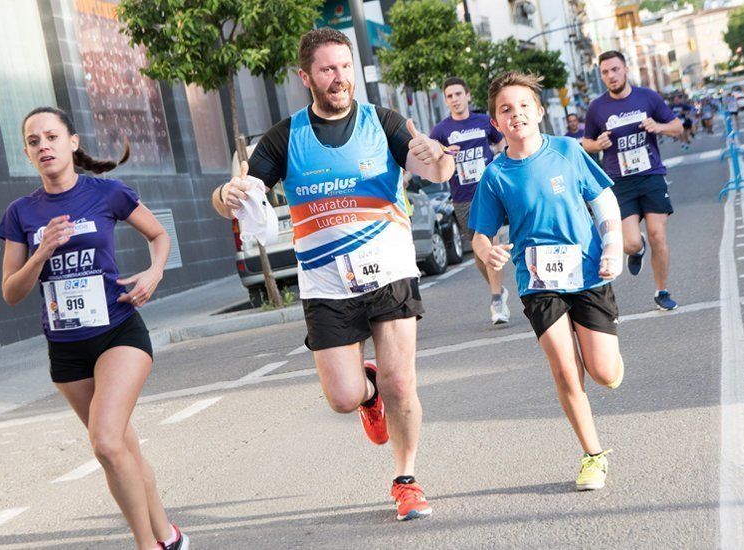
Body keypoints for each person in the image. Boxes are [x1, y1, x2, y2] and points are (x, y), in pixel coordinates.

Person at [211, 28, 454, 521]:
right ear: (306, 77)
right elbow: (242, 191)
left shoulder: (383, 123)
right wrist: (226, 196)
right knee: (343, 398)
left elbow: (437, 170)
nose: (340, 78)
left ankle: (406, 480)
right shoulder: (286, 137)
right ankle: (368, 392)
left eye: (344, 67)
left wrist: (438, 157)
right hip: (325, 284)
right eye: (327, 69)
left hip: (388, 271)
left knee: (401, 383)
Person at [0, 107, 189, 550]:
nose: (43, 146)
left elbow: (159, 236)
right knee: (121, 447)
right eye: (33, 141)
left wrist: (153, 273)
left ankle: (148, 546)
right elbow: (10, 291)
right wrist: (40, 251)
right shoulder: (20, 213)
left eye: (51, 137)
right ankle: (170, 535)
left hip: (118, 330)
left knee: (104, 442)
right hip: (66, 349)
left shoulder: (107, 193)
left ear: (72, 141)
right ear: (28, 154)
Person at [470, 71, 625, 491]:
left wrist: (612, 247)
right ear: (496, 123)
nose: (515, 114)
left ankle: (605, 363)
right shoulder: (494, 176)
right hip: (538, 281)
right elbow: (480, 235)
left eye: (523, 106)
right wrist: (488, 252)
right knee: (564, 370)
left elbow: (603, 198)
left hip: (589, 270)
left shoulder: (567, 150)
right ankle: (593, 455)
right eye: (505, 109)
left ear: (539, 112)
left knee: (604, 373)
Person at [582, 50, 683, 311]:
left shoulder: (647, 97)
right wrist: (597, 144)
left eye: (615, 69)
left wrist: (658, 127)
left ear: (625, 69)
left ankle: (662, 291)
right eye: (605, 72)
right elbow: (586, 143)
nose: (611, 76)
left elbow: (677, 127)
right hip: (620, 181)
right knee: (631, 242)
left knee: (657, 234)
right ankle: (637, 251)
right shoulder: (597, 108)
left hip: (651, 175)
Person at [429, 77, 509, 324]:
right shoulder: (441, 131)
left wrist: (500, 158)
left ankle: (496, 301)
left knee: (491, 242)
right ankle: (500, 290)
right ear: (446, 100)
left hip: (487, 192)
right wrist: (443, 153)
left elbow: (502, 141)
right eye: (450, 96)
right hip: (461, 198)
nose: (454, 99)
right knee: (479, 254)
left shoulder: (484, 121)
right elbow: (433, 159)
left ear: (468, 96)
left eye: (458, 94)